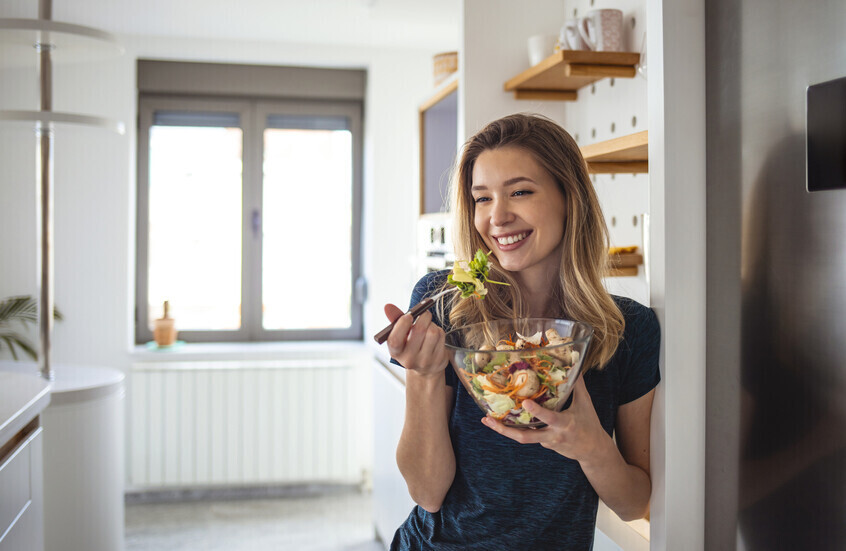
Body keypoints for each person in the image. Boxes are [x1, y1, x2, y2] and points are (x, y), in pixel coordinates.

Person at [383, 113, 661, 550]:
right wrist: (424, 375)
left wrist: (591, 447)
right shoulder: (443, 304)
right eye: (482, 198)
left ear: (569, 198)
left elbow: (634, 503)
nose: (497, 216)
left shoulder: (626, 330)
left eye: (520, 192)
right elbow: (427, 493)